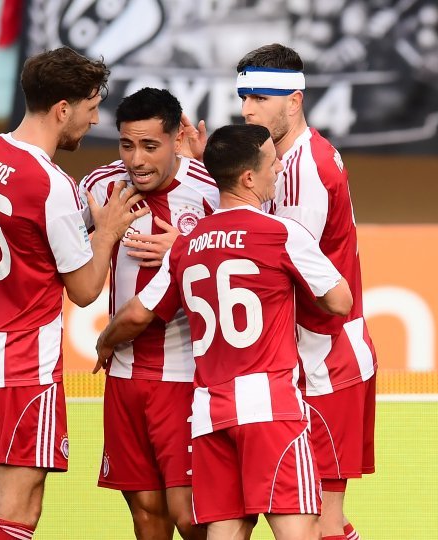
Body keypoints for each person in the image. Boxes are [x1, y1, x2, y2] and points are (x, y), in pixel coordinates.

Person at [95, 123, 353, 540]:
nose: (279, 169)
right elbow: (340, 301)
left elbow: (137, 314)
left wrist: (104, 342)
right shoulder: (281, 233)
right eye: (272, 163)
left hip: (209, 413)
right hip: (271, 409)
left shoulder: (187, 243)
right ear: (249, 177)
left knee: (224, 532)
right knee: (299, 529)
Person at [182, 43, 376, 540]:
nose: (247, 110)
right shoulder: (284, 162)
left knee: (321, 519)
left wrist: (191, 246)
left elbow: (279, 271)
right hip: (301, 364)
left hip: (326, 361)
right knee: (308, 519)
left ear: (294, 100)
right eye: (244, 97)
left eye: (260, 98)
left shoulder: (305, 171)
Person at [0, 46, 148, 539]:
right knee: (18, 512)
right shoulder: (51, 183)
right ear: (63, 109)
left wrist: (81, 223)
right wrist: (107, 232)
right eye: (91, 107)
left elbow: (22, 231)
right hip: (21, 360)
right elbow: (84, 290)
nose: (95, 119)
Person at [80, 87, 219, 540]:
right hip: (124, 377)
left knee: (192, 518)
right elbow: (53, 244)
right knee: (145, 515)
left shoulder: (210, 189)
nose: (136, 160)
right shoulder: (102, 186)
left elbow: (251, 254)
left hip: (186, 377)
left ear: (177, 139)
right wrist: (101, 234)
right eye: (127, 144)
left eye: (149, 146)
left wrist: (188, 249)